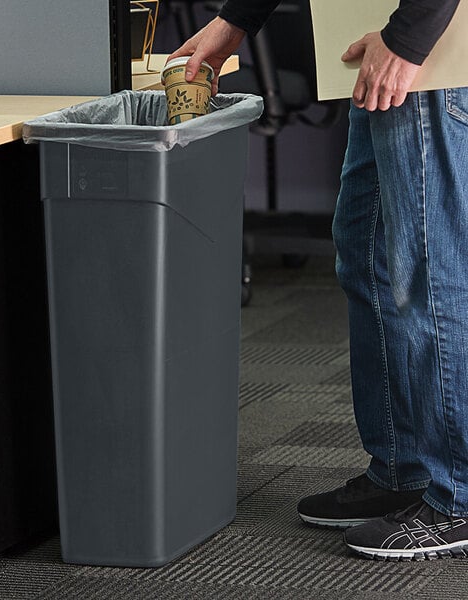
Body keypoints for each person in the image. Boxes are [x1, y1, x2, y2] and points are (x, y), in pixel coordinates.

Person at [168, 0, 468, 561]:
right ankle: (405, 470)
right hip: (382, 40)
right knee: (368, 254)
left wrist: (407, 37)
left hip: (427, 56)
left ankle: (458, 494)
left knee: (423, 274)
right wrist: (237, 20)